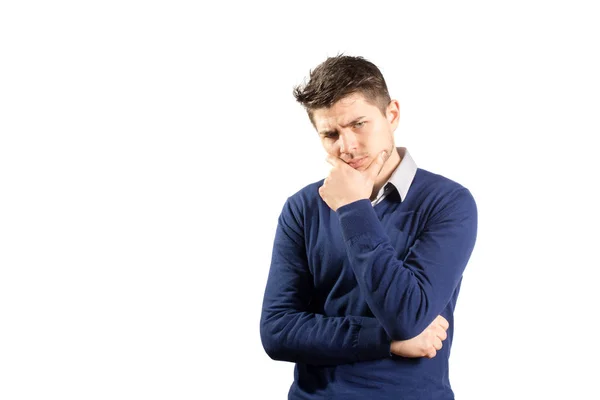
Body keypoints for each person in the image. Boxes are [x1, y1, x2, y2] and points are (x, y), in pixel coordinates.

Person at [259, 54, 478, 399]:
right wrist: (387, 341)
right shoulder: (302, 208)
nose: (347, 147)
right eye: (330, 134)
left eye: (358, 124)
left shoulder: (448, 202)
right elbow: (277, 331)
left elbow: (407, 315)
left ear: (392, 115)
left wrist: (352, 207)